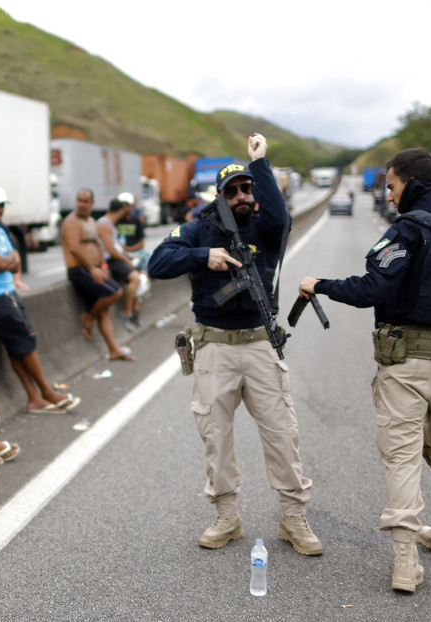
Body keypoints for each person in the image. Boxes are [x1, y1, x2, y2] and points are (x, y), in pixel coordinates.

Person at [300, 147, 431, 593]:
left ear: (409, 183)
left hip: (406, 364)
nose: (389, 196)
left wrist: (320, 285)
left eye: (391, 186)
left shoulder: (407, 230)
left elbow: (372, 288)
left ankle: (406, 564)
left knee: (403, 457)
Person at [148, 133, 323, 557]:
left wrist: (260, 164)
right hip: (214, 348)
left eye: (248, 188)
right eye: (234, 190)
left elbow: (279, 213)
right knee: (216, 436)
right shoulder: (196, 228)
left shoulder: (265, 224)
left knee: (282, 434)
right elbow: (156, 262)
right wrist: (201, 255)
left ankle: (293, 517)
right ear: (220, 196)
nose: (243, 195)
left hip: (261, 344)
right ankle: (227, 516)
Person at [0, 185, 79, 418]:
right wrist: (4, 262)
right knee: (27, 342)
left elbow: (13, 260)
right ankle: (46, 392)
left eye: (2, 205)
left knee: (18, 348)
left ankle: (35, 398)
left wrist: (5, 262)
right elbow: (0, 263)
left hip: (6, 293)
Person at [61, 188, 132, 361]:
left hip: (94, 269)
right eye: (79, 200)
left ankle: (114, 349)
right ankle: (88, 317)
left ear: (92, 203)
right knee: (115, 292)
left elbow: (99, 246)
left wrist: (103, 265)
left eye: (86, 201)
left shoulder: (92, 221)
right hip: (79, 270)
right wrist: (92, 269)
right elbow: (74, 248)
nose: (82, 205)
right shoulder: (71, 222)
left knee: (105, 311)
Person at [97, 197, 144, 331]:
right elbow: (111, 251)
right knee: (135, 278)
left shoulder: (110, 224)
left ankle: (135, 311)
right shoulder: (105, 224)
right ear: (121, 210)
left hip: (116, 258)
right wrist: (127, 260)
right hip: (110, 260)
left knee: (141, 274)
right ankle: (127, 313)